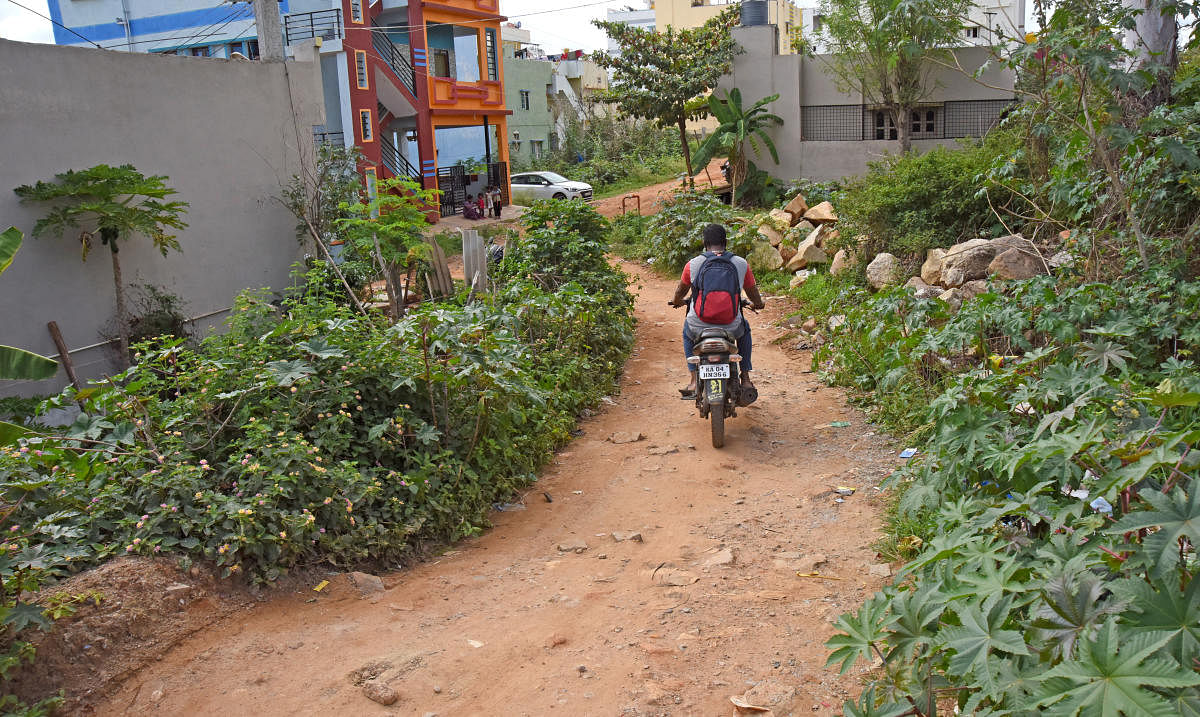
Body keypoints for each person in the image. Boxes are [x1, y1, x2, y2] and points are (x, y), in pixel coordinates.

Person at [670, 223, 764, 399]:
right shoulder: (741, 263)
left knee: (686, 332)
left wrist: (677, 302)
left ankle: (692, 379)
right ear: (725, 242)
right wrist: (758, 304)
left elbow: (680, 291)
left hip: (699, 325)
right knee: (745, 330)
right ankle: (745, 377)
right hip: (731, 326)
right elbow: (753, 292)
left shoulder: (693, 264)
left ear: (705, 243)